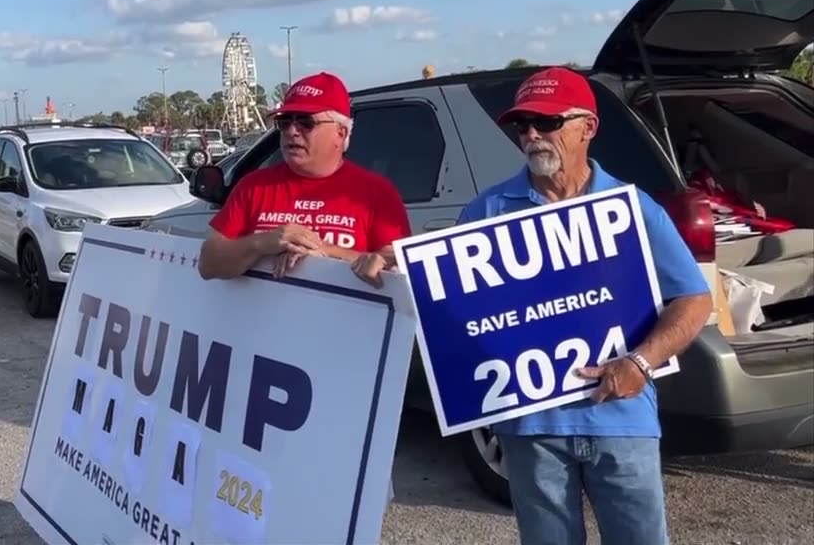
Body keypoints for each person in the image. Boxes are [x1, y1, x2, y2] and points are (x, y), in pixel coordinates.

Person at [457, 67, 712, 545]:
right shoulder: (486, 212)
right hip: (530, 427)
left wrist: (641, 361)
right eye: (522, 124)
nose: (531, 134)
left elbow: (694, 298)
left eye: (546, 122)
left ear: (587, 128)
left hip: (622, 417)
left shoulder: (633, 208)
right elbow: (456, 312)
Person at [197, 71, 411, 286]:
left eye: (305, 122)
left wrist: (326, 252)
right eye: (284, 122)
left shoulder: (377, 192)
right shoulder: (253, 186)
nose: (292, 131)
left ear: (341, 133)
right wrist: (263, 243)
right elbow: (208, 263)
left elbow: (399, 266)